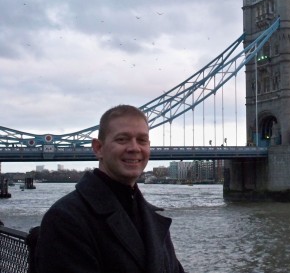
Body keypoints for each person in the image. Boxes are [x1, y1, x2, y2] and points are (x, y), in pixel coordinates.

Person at [35, 104, 185, 273]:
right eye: (122, 139)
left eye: (142, 140)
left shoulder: (152, 218)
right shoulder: (65, 218)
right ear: (98, 148)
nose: (134, 148)